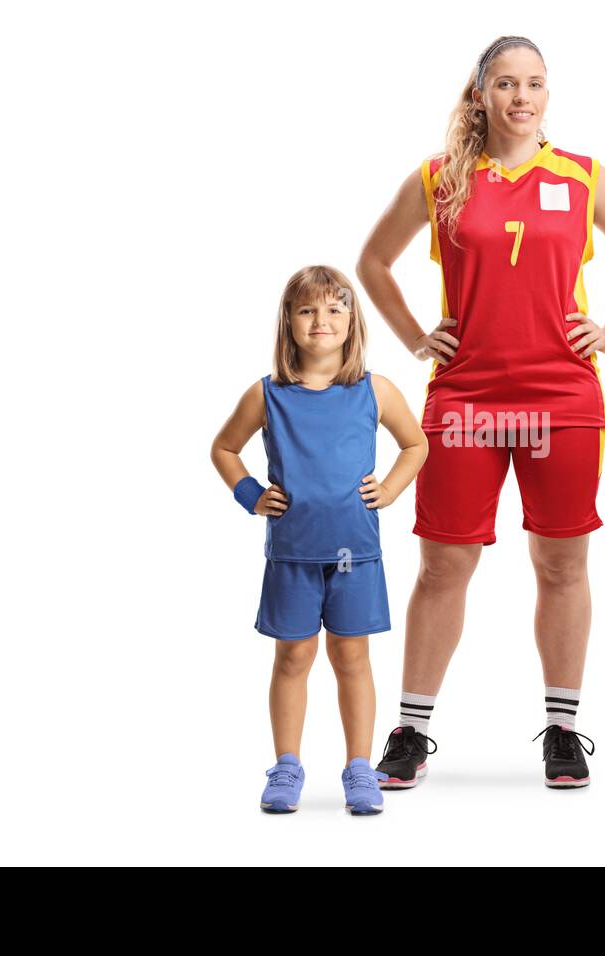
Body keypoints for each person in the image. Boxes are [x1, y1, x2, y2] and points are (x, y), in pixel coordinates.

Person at [356, 36, 605, 789]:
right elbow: (372, 263)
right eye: (506, 84)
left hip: (562, 397)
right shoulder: (440, 181)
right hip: (467, 398)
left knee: (561, 562)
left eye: (535, 84)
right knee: (444, 563)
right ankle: (411, 730)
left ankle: (562, 729)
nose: (522, 97)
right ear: (481, 94)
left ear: (547, 96)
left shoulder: (584, 177)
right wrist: (416, 337)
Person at [210, 265, 428, 815]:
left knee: (352, 658)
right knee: (293, 658)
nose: (321, 320)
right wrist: (250, 495)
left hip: (357, 555)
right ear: (289, 321)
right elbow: (223, 449)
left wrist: (391, 490)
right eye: (307, 310)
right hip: (291, 555)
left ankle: (359, 767)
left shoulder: (374, 389)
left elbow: (416, 444)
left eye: (335, 308)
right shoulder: (268, 394)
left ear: (352, 321)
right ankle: (287, 765)